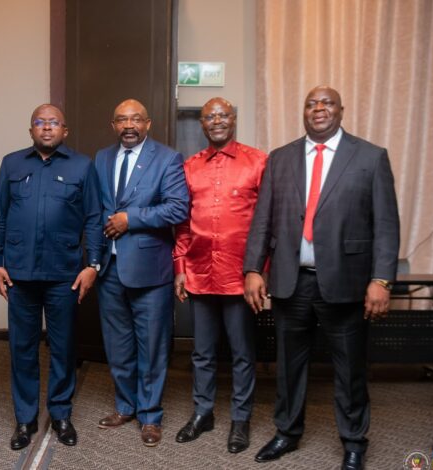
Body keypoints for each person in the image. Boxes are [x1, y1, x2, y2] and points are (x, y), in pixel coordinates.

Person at [243, 86, 399, 470]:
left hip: (346, 282)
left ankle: (354, 442)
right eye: (311, 103)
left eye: (327, 103)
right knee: (289, 365)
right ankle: (287, 432)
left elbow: (386, 225)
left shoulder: (370, 157)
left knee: (349, 368)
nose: (318, 109)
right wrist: (252, 268)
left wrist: (381, 279)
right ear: (304, 112)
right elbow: (262, 219)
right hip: (290, 281)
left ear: (341, 110)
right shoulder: (280, 158)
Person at [0, 104, 103, 450]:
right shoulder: (12, 163)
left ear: (64, 131)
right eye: (40, 122)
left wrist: (93, 265)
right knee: (22, 348)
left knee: (63, 348)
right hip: (19, 274)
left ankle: (61, 414)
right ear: (31, 131)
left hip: (64, 274)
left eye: (54, 122)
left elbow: (94, 218)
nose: (47, 127)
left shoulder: (82, 165)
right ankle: (25, 419)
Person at [172, 97, 267, 454]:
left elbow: (267, 222)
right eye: (209, 116)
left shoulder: (257, 162)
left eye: (223, 115)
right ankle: (203, 413)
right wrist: (180, 267)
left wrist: (259, 271)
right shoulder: (190, 167)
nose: (216, 121)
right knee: (202, 352)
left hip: (240, 277)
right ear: (202, 124)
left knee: (242, 353)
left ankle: (241, 420)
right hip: (199, 273)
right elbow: (182, 224)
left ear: (233, 119)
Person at [93, 99, 189, 447]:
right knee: (117, 344)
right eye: (122, 119)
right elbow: (97, 209)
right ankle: (125, 406)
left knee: (151, 346)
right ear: (113, 125)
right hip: (110, 268)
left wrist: (130, 219)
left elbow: (178, 208)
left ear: (148, 124)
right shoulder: (102, 158)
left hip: (150, 270)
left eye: (136, 119)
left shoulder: (167, 158)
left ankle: (150, 415)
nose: (129, 125)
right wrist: (93, 259)